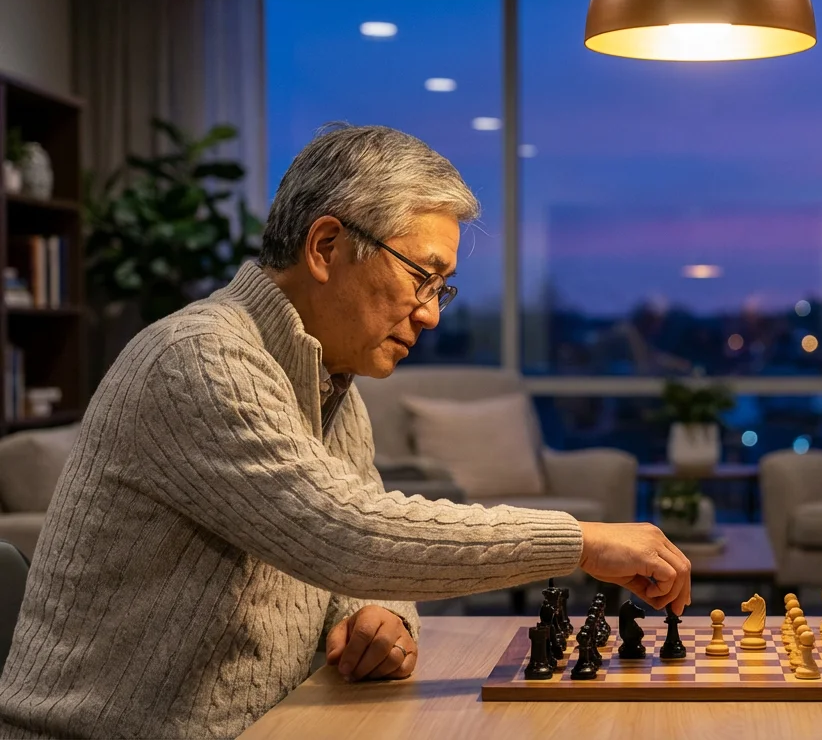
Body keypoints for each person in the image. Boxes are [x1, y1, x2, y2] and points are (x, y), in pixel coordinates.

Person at [0, 124, 692, 739]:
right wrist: (580, 540)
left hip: (284, 719)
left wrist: (383, 616)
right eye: (423, 276)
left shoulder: (333, 383)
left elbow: (359, 558)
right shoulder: (200, 358)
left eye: (442, 288)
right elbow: (344, 534)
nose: (432, 314)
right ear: (327, 246)